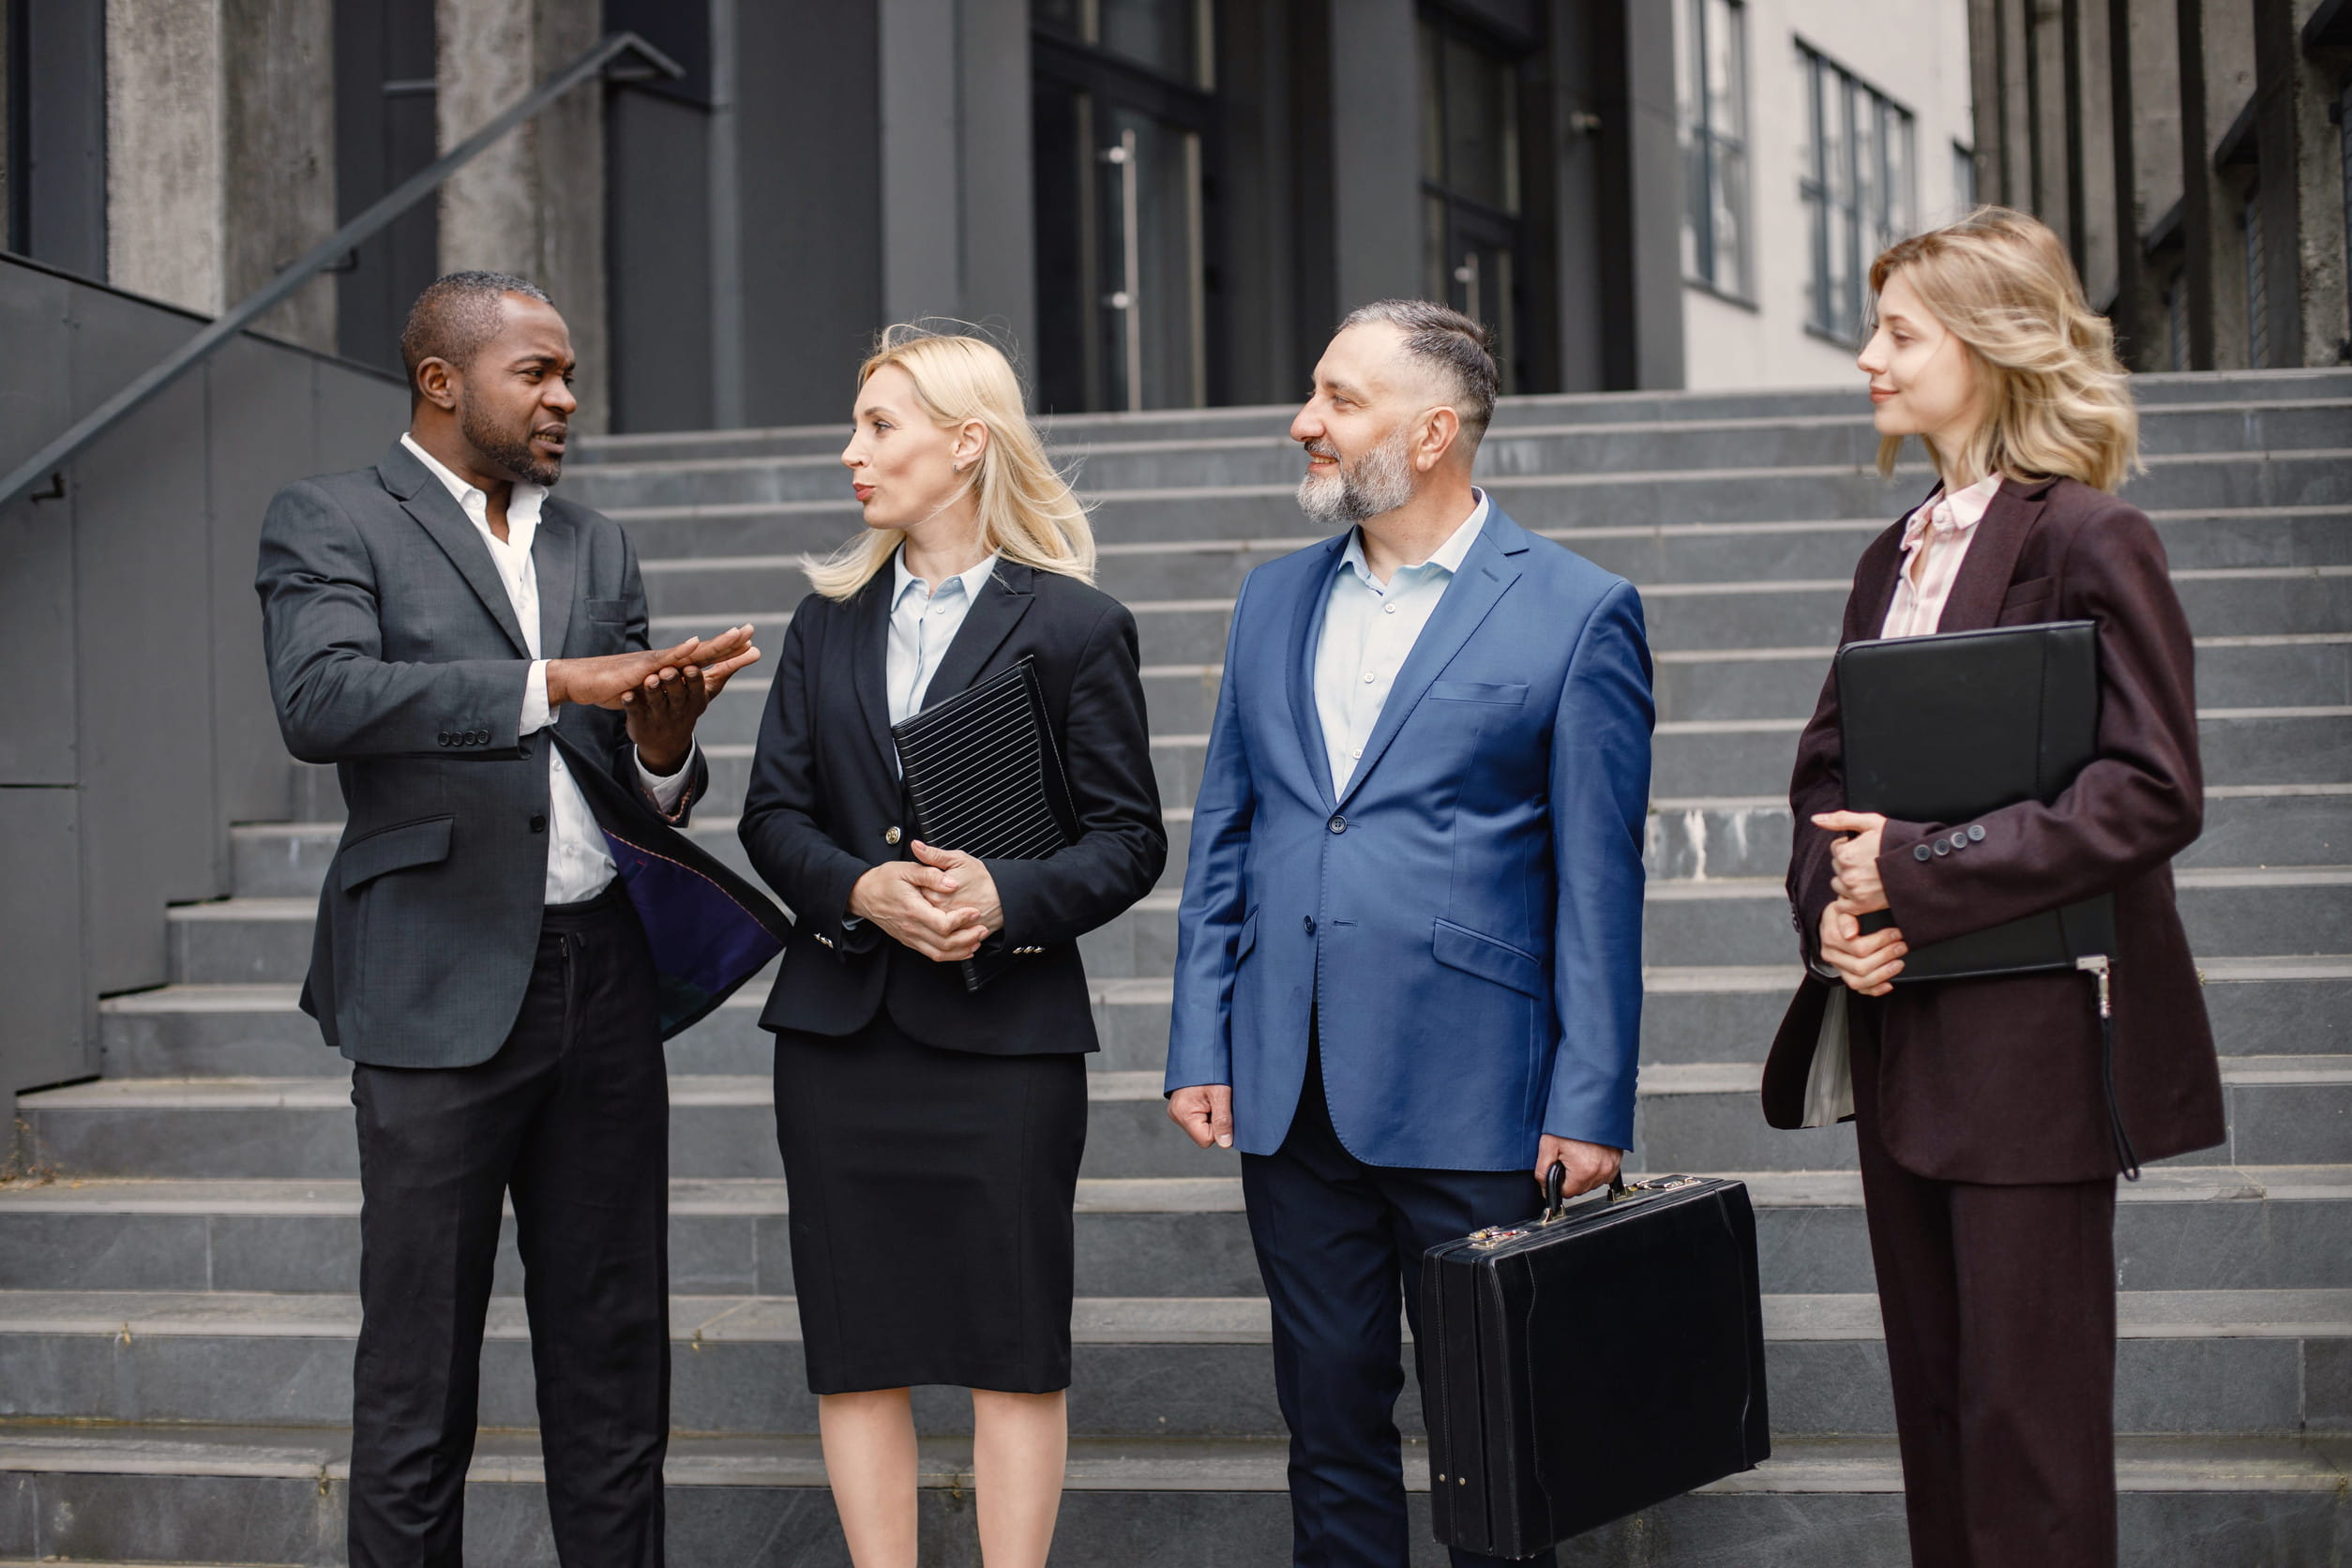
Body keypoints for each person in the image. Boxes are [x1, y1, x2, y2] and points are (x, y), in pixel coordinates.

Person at [255, 271, 771, 1566]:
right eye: (535, 373)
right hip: (433, 979)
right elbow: (322, 700)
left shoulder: (596, 543)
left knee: (612, 1361)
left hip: (602, 977)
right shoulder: (329, 519)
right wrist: (552, 680)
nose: (566, 397)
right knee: (418, 1375)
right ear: (443, 381)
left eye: (569, 373)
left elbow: (638, 776)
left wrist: (660, 747)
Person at [1761, 208, 2227, 1568]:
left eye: (1900, 333)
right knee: (1944, 1421)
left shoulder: (2091, 536)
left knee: (2031, 1444)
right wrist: (1835, 915)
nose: (1868, 359)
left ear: (1995, 343)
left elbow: (2151, 789)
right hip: (1906, 1037)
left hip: (2034, 1050)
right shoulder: (1891, 551)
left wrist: (1916, 870)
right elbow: (1823, 783)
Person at [1163, 300, 1654, 1568]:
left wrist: (1591, 1101)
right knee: (1326, 1425)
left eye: (1338, 399)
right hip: (1292, 1087)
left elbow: (1601, 882)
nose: (1304, 422)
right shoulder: (1272, 601)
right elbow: (1230, 831)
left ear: (1432, 431)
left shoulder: (1578, 611)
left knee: (1498, 1437)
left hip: (1478, 1090)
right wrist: (1199, 1038)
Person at [736, 325, 1166, 1568]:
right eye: (857, 427)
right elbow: (772, 816)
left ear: (966, 443)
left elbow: (1129, 842)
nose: (850, 452)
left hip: (1004, 1039)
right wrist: (862, 889)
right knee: (856, 1345)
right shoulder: (825, 625)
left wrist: (1006, 896)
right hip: (840, 1037)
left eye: (879, 428)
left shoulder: (1078, 627)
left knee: (1012, 1344)